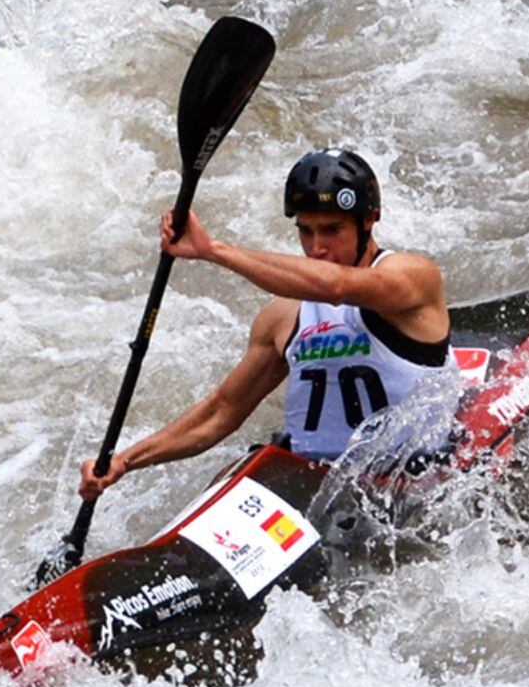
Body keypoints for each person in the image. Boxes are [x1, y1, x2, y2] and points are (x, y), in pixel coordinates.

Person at [79, 147, 453, 501]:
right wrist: (125, 461)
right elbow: (222, 411)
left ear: (370, 220)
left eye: (332, 229)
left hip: (403, 476)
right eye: (306, 230)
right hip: (315, 480)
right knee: (234, 471)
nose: (317, 246)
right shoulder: (282, 317)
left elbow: (337, 286)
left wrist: (213, 251)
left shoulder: (412, 278)